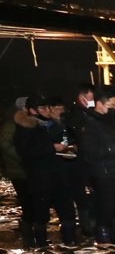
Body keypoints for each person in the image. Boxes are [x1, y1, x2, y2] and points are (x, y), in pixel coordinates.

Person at [77, 86, 115, 245]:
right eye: (111, 105)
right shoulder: (89, 123)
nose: (114, 108)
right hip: (104, 175)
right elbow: (89, 152)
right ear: (99, 103)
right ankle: (105, 244)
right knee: (105, 211)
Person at [13, 97, 77, 246]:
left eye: (47, 108)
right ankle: (40, 246)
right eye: (42, 108)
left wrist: (70, 148)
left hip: (59, 176)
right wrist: (51, 148)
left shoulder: (54, 125)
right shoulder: (25, 129)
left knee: (67, 211)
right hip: (40, 179)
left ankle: (70, 242)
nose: (47, 111)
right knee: (41, 215)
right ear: (32, 111)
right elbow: (26, 153)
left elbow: (70, 139)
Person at [63, 82, 97, 237]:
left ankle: (96, 224)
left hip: (95, 161)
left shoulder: (93, 113)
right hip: (79, 162)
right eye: (89, 98)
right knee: (82, 196)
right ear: (81, 97)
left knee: (96, 193)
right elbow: (76, 135)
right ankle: (87, 226)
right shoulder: (73, 114)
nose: (92, 101)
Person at [0, 98, 33, 246]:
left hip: (27, 169)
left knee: (31, 201)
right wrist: (21, 157)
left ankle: (30, 230)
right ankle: (27, 232)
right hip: (17, 170)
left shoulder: (27, 121)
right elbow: (5, 144)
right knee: (26, 201)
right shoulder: (10, 124)